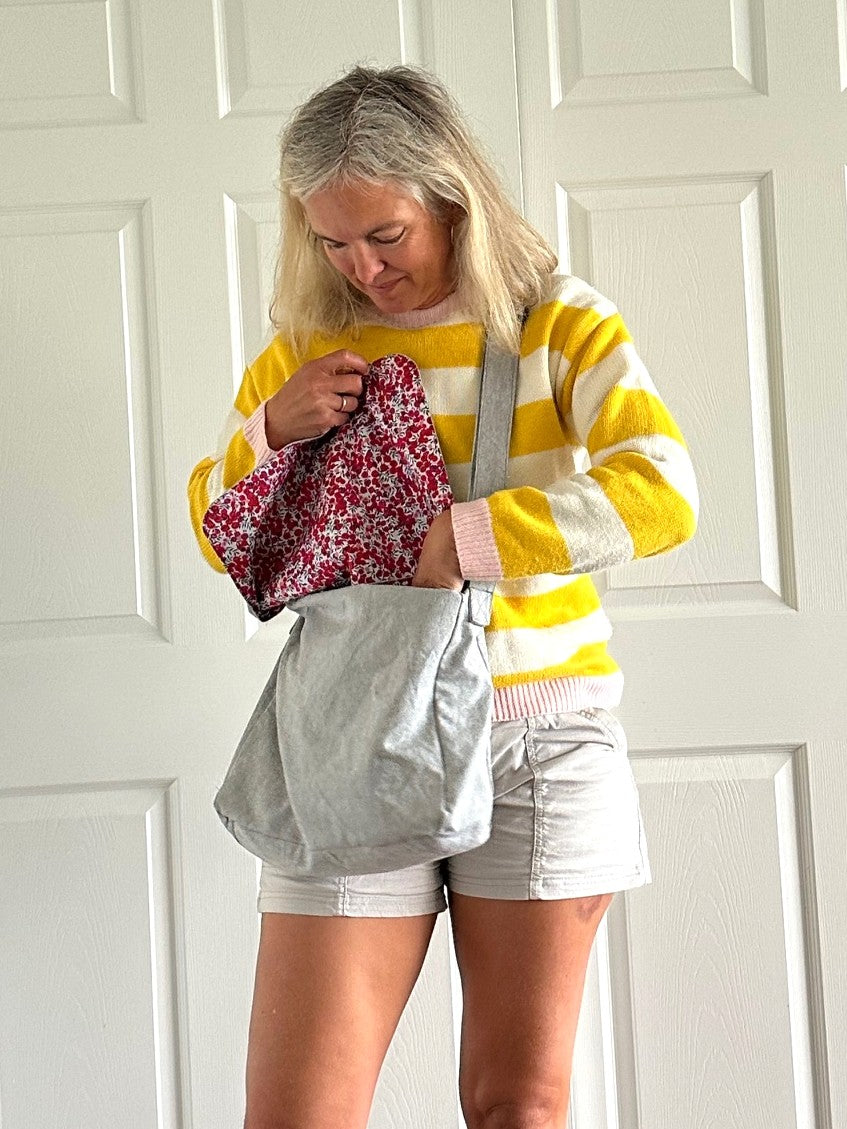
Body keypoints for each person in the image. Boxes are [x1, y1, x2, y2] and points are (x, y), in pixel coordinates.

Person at [188, 65, 698, 1129]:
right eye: (330, 242)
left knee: (516, 1103)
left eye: (385, 234)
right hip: (351, 740)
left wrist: (471, 536)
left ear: (451, 197)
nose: (360, 267)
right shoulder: (306, 352)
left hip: (537, 742)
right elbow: (220, 532)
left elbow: (662, 490)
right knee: (297, 1113)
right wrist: (267, 432)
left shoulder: (561, 327)